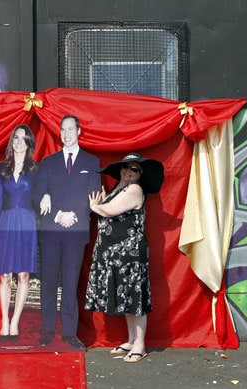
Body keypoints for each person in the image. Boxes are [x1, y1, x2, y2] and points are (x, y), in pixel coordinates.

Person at [85, 152, 165, 363]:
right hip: (114, 253)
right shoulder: (116, 189)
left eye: (135, 169)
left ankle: (140, 345)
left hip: (129, 253)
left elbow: (108, 211)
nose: (129, 171)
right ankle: (131, 340)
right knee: (127, 299)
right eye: (126, 167)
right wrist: (101, 206)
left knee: (135, 299)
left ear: (140, 175)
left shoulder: (135, 190)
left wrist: (96, 207)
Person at [35, 114, 101, 349]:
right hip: (51, 231)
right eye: (63, 130)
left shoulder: (91, 162)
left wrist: (72, 215)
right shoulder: (48, 162)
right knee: (49, 281)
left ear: (79, 131)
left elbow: (93, 194)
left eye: (70, 129)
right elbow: (38, 194)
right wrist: (55, 213)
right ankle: (47, 331)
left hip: (76, 230)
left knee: (71, 283)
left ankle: (70, 334)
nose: (66, 134)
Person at [0, 124, 39, 341]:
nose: (19, 142)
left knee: (23, 274)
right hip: (6, 222)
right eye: (16, 137)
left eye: (23, 138)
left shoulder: (36, 169)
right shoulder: (1, 168)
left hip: (27, 222)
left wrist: (45, 197)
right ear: (12, 141)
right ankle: (5, 322)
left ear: (29, 144)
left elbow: (43, 192)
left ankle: (15, 321)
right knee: (5, 275)